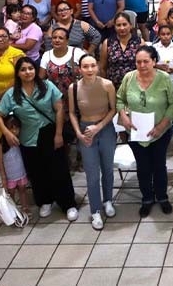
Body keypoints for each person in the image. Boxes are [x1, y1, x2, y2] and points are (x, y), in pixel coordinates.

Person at [0, 57, 79, 221]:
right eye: (23, 69)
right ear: (18, 73)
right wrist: (6, 132)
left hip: (50, 133)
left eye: (30, 68)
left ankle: (68, 204)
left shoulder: (47, 86)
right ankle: (45, 201)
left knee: (59, 170)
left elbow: (59, 109)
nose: (28, 72)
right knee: (37, 172)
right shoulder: (12, 94)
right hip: (28, 138)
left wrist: (59, 134)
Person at [117, 46, 173, 216]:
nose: (142, 65)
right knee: (143, 166)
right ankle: (146, 198)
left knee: (159, 165)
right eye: (139, 61)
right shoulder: (129, 78)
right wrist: (123, 116)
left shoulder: (164, 78)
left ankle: (162, 197)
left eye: (146, 61)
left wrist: (161, 126)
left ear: (154, 61)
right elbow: (119, 100)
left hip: (160, 131)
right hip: (136, 132)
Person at [67, 54, 117, 230]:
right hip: (85, 130)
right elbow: (72, 112)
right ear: (79, 69)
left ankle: (108, 200)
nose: (89, 70)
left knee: (107, 168)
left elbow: (113, 109)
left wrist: (99, 126)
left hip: (106, 129)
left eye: (92, 66)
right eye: (85, 66)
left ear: (97, 67)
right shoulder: (74, 88)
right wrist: (78, 133)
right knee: (92, 173)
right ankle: (95, 210)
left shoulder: (107, 85)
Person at [100, 13, 143, 91]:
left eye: (124, 24)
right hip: (113, 88)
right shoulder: (108, 43)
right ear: (114, 27)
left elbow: (145, 65)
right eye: (118, 25)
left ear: (130, 25)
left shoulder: (139, 42)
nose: (122, 28)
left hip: (136, 86)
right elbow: (102, 68)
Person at [0, 115, 29, 215]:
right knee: (11, 193)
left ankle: (25, 208)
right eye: (11, 128)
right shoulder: (0, 144)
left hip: (21, 172)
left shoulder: (20, 141)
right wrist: (3, 178)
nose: (14, 131)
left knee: (23, 190)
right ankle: (13, 212)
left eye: (16, 128)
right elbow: (0, 163)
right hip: (10, 176)